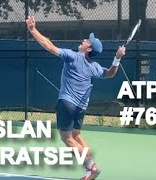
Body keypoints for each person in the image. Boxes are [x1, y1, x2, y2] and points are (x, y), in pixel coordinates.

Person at [26, 16, 126, 180]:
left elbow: (49, 46)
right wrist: (118, 58)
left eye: (88, 40)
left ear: (88, 49)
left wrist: (33, 30)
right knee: (77, 135)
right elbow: (110, 73)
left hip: (67, 103)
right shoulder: (94, 67)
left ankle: (91, 167)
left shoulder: (73, 56)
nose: (84, 39)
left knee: (66, 138)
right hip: (80, 107)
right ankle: (90, 168)